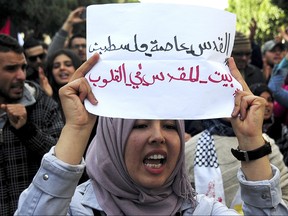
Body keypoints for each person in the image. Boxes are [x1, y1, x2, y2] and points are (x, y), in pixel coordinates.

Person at [15, 53, 288, 215]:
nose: (158, 136)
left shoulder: (201, 210)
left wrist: (252, 141)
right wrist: (76, 129)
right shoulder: (76, 209)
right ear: (112, 139)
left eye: (170, 126)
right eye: (140, 125)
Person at [0, 34, 64, 215]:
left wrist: (27, 130)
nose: (21, 75)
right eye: (11, 69)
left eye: (23, 67)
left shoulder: (43, 105)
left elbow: (65, 160)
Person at [45, 48, 82, 117]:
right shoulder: (46, 99)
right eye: (56, 66)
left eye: (68, 64)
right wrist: (49, 97)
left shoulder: (88, 97)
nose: (62, 68)